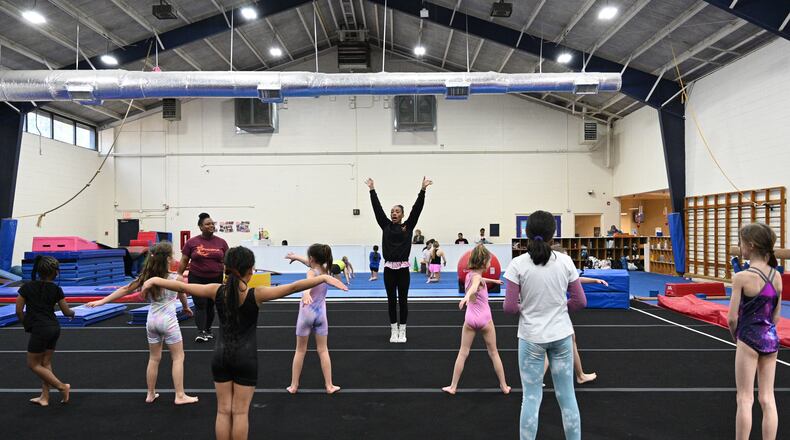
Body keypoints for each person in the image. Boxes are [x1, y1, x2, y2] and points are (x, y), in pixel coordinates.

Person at [143, 246, 347, 440]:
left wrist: (154, 279)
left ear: (226, 268)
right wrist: (323, 277)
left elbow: (182, 286)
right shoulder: (256, 294)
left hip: (221, 357)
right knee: (240, 413)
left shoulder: (216, 290)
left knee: (223, 411)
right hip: (246, 359)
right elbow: (293, 287)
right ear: (250, 270)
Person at [503, 210, 586, 440]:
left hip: (531, 338)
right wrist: (559, 308)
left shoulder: (517, 264)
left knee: (530, 397)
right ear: (554, 234)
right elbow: (580, 301)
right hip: (561, 336)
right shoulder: (566, 262)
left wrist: (528, 309)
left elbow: (509, 307)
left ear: (526, 233)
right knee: (567, 396)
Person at [86, 242, 199, 405]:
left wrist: (102, 301)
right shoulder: (176, 278)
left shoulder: (146, 278)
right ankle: (180, 395)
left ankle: (150, 394)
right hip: (168, 321)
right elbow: (182, 292)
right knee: (178, 357)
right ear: (168, 259)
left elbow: (125, 289)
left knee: (154, 358)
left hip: (151, 321)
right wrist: (187, 307)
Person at [727, 223, 782, 440]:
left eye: (741, 243)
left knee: (745, 399)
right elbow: (776, 316)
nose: (740, 248)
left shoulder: (741, 277)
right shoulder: (776, 276)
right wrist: (766, 330)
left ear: (750, 245)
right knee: (768, 398)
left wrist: (737, 336)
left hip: (748, 337)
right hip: (770, 338)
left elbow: (732, 318)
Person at [366, 176, 432, 343]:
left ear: (402, 215)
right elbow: (377, 209)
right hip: (389, 269)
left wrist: (422, 190)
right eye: (392, 211)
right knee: (390, 301)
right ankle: (393, 330)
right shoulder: (385, 225)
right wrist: (372, 190)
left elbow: (417, 209)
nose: (394, 213)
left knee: (403, 301)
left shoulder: (408, 226)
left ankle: (403, 330)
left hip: (403, 269)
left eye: (397, 212)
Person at [442, 244, 510, 395]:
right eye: (489, 261)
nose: (490, 264)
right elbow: (474, 286)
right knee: (494, 353)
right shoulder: (477, 279)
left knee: (463, 352)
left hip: (471, 319)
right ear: (484, 262)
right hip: (485, 319)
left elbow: (476, 279)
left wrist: (494, 281)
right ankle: (504, 386)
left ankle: (453, 387)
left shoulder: (469, 275)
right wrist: (466, 297)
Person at [15, 256, 73, 406]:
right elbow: (66, 312)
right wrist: (73, 314)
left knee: (33, 364)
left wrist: (26, 325)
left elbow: (19, 311)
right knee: (45, 362)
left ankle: (62, 387)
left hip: (40, 329)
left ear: (38, 271)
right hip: (54, 327)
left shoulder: (26, 288)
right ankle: (44, 397)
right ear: (56, 273)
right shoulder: (56, 289)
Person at [284, 246, 342, 394]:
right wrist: (297, 257)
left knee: (300, 350)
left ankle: (293, 386)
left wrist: (305, 292)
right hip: (321, 315)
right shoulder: (326, 271)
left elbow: (309, 280)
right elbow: (311, 264)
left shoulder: (311, 271)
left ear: (312, 259)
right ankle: (329, 386)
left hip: (306, 314)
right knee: (323, 350)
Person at [179, 212, 229, 343]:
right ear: (201, 227)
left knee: (210, 305)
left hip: (215, 278)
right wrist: (179, 275)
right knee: (200, 304)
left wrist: (228, 276)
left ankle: (208, 330)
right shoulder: (192, 242)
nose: (211, 225)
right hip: (197, 277)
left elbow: (227, 261)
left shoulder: (221, 242)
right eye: (208, 224)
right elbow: (184, 260)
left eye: (212, 223)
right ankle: (201, 332)